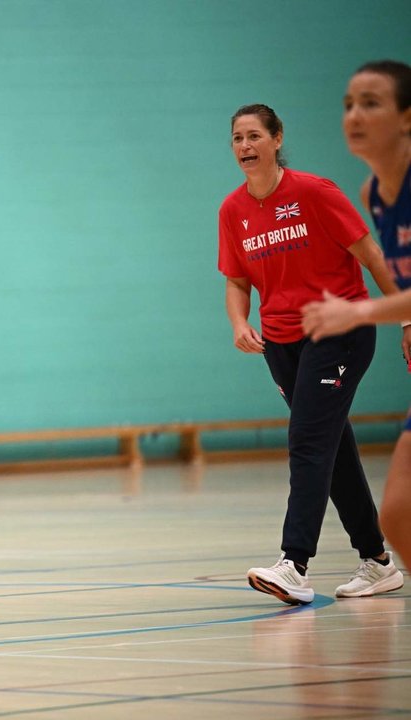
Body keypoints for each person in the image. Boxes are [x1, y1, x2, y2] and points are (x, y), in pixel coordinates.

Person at [217, 103, 404, 605]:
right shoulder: (233, 211)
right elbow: (237, 281)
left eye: (254, 135)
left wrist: (404, 316)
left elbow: (370, 254)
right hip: (281, 343)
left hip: (339, 331)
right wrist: (239, 322)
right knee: (331, 446)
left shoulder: (315, 193)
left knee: (306, 438)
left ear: (278, 139)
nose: (245, 146)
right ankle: (378, 561)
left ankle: (294, 563)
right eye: (237, 138)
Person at [302, 59, 411, 571]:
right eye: (348, 104)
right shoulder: (374, 194)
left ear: (406, 117)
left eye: (371, 103)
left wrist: (360, 313)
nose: (354, 115)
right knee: (398, 515)